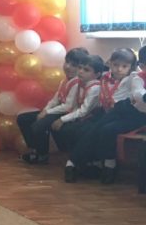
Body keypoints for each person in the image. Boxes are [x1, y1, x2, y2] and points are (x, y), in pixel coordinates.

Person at [68, 47, 144, 184]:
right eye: (116, 65)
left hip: (134, 115)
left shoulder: (132, 77)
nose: (119, 69)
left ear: (131, 67)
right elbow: (137, 93)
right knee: (91, 128)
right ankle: (84, 164)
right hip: (117, 110)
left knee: (105, 129)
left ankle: (101, 165)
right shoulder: (125, 77)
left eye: (124, 66)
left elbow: (137, 96)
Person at [16, 47, 88, 164]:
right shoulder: (64, 81)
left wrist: (47, 113)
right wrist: (45, 110)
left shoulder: (76, 83)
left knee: (38, 126)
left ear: (81, 68)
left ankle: (42, 155)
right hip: (57, 111)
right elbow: (55, 99)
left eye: (73, 65)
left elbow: (68, 106)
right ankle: (35, 150)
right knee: (23, 118)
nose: (68, 66)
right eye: (67, 62)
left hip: (66, 114)